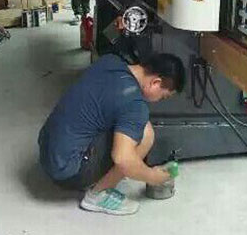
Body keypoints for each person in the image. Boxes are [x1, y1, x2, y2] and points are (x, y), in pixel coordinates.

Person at [38, 53, 185, 216]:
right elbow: (122, 159)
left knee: (124, 124)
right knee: (145, 133)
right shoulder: (134, 105)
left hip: (47, 152)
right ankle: (98, 195)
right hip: (70, 173)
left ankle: (105, 175)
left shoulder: (109, 61)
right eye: (163, 97)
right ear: (155, 83)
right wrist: (152, 176)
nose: (158, 101)